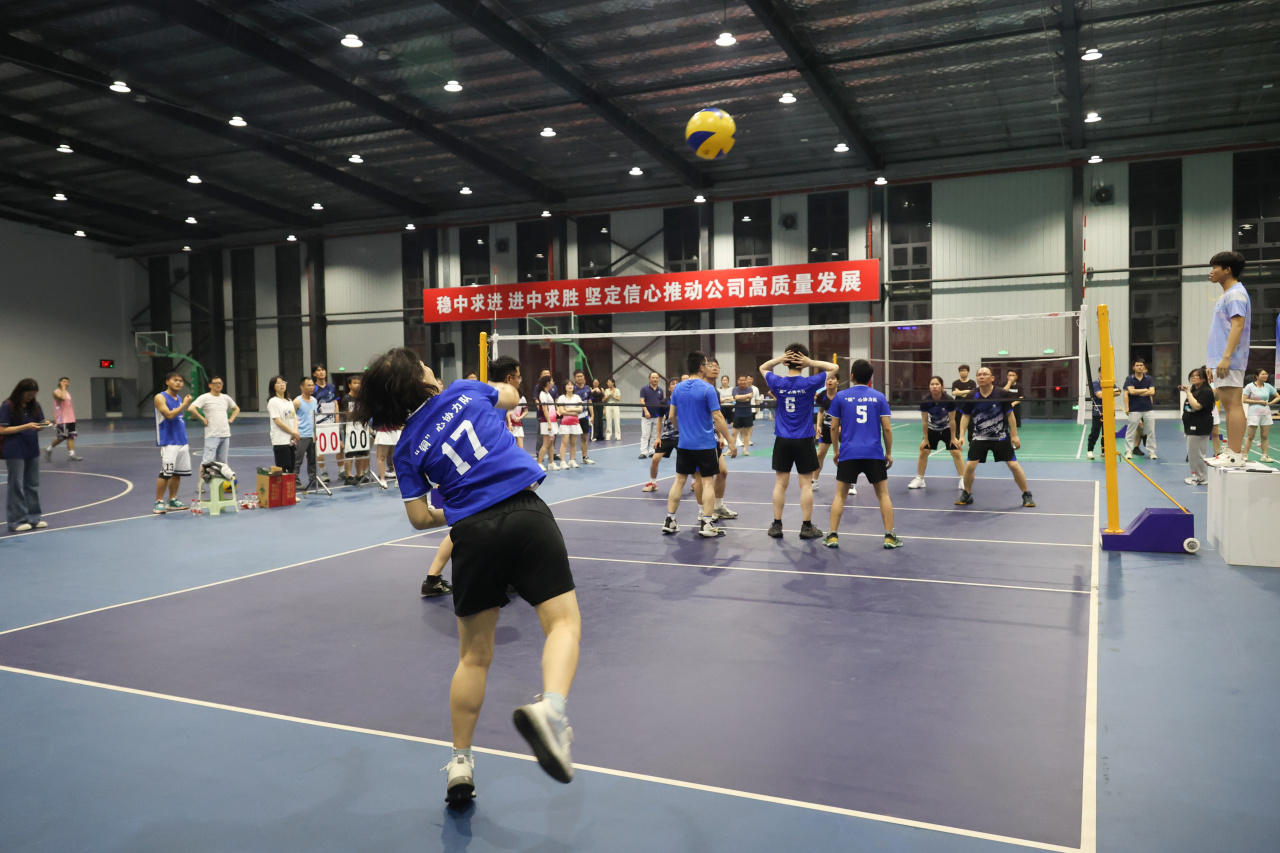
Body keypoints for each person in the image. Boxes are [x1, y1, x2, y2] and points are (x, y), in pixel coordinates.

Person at [357, 349, 579, 807]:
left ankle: (460, 762)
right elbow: (512, 395)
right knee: (562, 624)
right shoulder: (464, 390)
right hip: (526, 514)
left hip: (472, 535)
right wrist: (497, 390)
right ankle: (553, 709)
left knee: (473, 659)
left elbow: (419, 518)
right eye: (425, 366)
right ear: (420, 380)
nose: (432, 368)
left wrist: (464, 509)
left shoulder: (406, 448)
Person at [759, 344, 837, 539]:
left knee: (780, 483)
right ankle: (806, 527)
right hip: (804, 440)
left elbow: (763, 367)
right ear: (803, 362)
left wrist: (780, 359)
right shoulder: (810, 382)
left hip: (783, 440)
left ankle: (777, 525)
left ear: (787, 362)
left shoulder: (777, 382)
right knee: (806, 485)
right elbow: (834, 368)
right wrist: (811, 362)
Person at [824, 359, 901, 550]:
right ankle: (889, 537)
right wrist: (888, 453)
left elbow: (833, 427)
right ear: (870, 378)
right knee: (883, 495)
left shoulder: (841, 397)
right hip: (874, 453)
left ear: (851, 375)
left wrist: (836, 450)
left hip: (849, 453)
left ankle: (832, 536)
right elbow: (887, 428)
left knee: (840, 495)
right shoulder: (879, 397)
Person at [663, 351, 736, 538]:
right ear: (701, 367)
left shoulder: (677, 388)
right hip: (704, 445)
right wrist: (730, 441)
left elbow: (671, 416)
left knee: (679, 480)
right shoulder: (707, 389)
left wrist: (683, 430)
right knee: (707, 482)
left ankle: (670, 520)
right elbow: (718, 417)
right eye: (706, 364)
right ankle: (706, 524)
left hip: (684, 444)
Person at [955, 366, 1034, 507]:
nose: (981, 376)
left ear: (992, 378)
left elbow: (1010, 414)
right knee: (970, 466)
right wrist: (961, 435)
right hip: (979, 437)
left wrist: (1014, 435)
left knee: (1013, 465)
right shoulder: (972, 395)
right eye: (979, 374)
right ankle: (967, 493)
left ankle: (1026, 494)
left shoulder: (1001, 393)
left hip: (1000, 437)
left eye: (985, 374)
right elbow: (965, 416)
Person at [1206, 251, 1252, 468]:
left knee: (1233, 405)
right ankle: (1233, 452)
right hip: (1221, 359)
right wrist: (1211, 362)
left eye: (1215, 267)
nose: (1211, 272)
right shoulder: (1227, 295)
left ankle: (1235, 455)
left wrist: (1225, 358)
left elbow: (1238, 325)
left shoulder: (1235, 294)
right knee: (1228, 405)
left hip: (1230, 360)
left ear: (1227, 270)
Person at [690, 360, 740, 521]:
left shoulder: (714, 391)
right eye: (711, 366)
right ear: (702, 368)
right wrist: (730, 440)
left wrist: (720, 436)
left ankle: (718, 507)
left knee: (722, 472)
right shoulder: (697, 388)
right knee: (701, 476)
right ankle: (702, 511)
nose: (715, 368)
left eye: (717, 366)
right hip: (698, 440)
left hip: (712, 438)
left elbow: (715, 416)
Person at [2, 378, 49, 532]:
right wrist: (25, 426)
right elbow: (2, 429)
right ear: (21, 392)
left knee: (32, 484)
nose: (31, 397)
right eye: (29, 394)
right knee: (16, 484)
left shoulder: (35, 405)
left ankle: (34, 517)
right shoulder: (8, 405)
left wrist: (43, 425)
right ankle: (16, 520)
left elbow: (39, 423)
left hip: (32, 448)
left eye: (34, 394)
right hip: (14, 450)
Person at [909, 376, 965, 490]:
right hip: (932, 428)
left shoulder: (949, 400)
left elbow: (952, 420)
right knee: (924, 451)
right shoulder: (926, 400)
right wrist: (925, 439)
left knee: (956, 452)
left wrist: (953, 437)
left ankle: (963, 479)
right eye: (932, 384)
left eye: (937, 384)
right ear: (929, 387)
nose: (934, 386)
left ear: (942, 386)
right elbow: (925, 421)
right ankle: (920, 479)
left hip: (947, 428)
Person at [153, 371, 193, 514]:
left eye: (181, 381)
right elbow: (169, 415)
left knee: (177, 472)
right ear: (167, 382)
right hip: (168, 441)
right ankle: (159, 501)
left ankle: (173, 499)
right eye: (175, 380)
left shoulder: (178, 398)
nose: (179, 383)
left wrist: (182, 403)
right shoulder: (160, 397)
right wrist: (185, 405)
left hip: (181, 440)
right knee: (166, 472)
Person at [191, 375, 239, 467]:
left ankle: (220, 477)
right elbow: (191, 408)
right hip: (212, 434)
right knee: (208, 461)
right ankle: (203, 476)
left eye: (220, 383)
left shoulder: (226, 398)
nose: (218, 385)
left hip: (225, 433)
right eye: (216, 383)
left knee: (223, 462)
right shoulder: (205, 397)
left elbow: (236, 409)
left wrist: (231, 419)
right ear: (210, 385)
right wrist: (203, 419)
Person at [812, 373, 849, 494]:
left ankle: (851, 483)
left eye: (832, 379)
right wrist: (818, 425)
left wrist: (842, 426)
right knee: (819, 455)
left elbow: (847, 413)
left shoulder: (842, 395)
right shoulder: (822, 396)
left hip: (842, 430)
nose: (830, 381)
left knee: (845, 456)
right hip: (827, 429)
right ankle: (814, 481)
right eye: (828, 379)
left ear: (838, 382)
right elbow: (821, 411)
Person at [1179, 367, 1215, 485]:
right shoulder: (1195, 390)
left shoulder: (1206, 391)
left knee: (1197, 454)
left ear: (1203, 378)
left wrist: (1188, 393)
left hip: (1200, 426)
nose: (1193, 378)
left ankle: (1200, 477)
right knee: (1192, 453)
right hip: (1190, 425)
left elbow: (1197, 406)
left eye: (1196, 376)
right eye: (1192, 376)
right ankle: (1197, 476)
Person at [643, 378, 680, 491]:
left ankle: (694, 482)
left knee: (689, 460)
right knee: (655, 459)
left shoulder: (686, 400)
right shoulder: (664, 402)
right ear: (669, 388)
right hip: (667, 436)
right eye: (672, 384)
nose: (675, 385)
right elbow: (659, 420)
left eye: (677, 384)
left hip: (682, 436)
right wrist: (658, 437)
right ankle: (653, 483)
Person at [1122, 359, 1157, 460]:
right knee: (1131, 431)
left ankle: (1151, 451)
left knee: (1151, 431)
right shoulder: (1129, 379)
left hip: (1148, 409)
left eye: (1141, 365)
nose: (1139, 367)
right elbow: (1130, 392)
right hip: (1134, 409)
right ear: (1133, 367)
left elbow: (1152, 392)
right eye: (1137, 365)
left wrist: (1137, 391)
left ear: (1144, 367)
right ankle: (1128, 451)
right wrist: (1145, 390)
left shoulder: (1149, 379)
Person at [1241, 369, 1278, 462]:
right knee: (1250, 436)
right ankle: (1245, 455)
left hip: (1266, 413)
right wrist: (1258, 401)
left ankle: (1264, 456)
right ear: (1257, 376)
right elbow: (1244, 400)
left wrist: (1270, 403)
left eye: (1266, 374)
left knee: (1264, 436)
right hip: (1254, 414)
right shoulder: (1249, 386)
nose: (1265, 376)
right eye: (1263, 374)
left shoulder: (1268, 386)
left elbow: (1278, 396)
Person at [267, 374, 300, 474]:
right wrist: (293, 432)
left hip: (290, 441)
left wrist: (295, 432)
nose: (282, 385)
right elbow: (278, 421)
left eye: (283, 382)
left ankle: (291, 485)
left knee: (291, 468)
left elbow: (294, 417)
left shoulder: (289, 401)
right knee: (283, 470)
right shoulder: (273, 402)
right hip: (280, 440)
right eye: (278, 383)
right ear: (273, 386)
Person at [340, 375, 370, 485]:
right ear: (349, 385)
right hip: (349, 428)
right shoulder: (346, 399)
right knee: (349, 453)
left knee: (360, 453)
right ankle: (348, 476)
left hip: (361, 428)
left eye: (359, 383)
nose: (358, 385)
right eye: (355, 383)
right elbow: (346, 415)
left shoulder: (363, 398)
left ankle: (359, 474)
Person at [44, 377, 83, 462]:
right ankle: (49, 448)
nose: (67, 383)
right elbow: (62, 398)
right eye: (64, 381)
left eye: (68, 382)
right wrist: (63, 387)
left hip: (70, 419)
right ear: (60, 382)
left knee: (71, 436)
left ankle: (71, 454)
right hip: (62, 419)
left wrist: (73, 417)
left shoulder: (67, 393)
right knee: (62, 437)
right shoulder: (56, 392)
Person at [312, 364, 339, 484]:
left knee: (341, 447)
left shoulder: (332, 387)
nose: (321, 372)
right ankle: (323, 472)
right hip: (319, 423)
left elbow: (336, 404)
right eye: (318, 370)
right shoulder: (313, 388)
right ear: (314, 374)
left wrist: (337, 421)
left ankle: (341, 471)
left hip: (332, 422)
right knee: (320, 449)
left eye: (323, 370)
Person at [294, 377, 321, 493]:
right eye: (308, 385)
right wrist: (294, 433)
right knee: (297, 460)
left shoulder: (314, 400)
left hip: (313, 435)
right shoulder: (297, 401)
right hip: (301, 435)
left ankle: (313, 479)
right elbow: (291, 418)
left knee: (313, 460)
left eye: (312, 385)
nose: (311, 387)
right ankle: (294, 480)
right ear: (302, 387)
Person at [556, 381, 588, 468]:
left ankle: (572, 460)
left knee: (573, 443)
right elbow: (562, 411)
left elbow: (580, 409)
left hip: (575, 423)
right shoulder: (561, 398)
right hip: (565, 423)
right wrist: (574, 411)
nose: (570, 386)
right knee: (564, 442)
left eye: (571, 385)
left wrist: (568, 409)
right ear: (565, 387)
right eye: (568, 385)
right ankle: (563, 462)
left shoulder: (577, 397)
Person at [536, 375, 559, 470]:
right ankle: (539, 463)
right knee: (546, 443)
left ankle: (551, 463)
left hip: (552, 421)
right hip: (546, 422)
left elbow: (551, 408)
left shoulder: (548, 393)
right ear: (548, 383)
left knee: (551, 443)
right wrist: (549, 422)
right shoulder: (542, 394)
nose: (553, 383)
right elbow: (545, 409)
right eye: (552, 381)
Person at [639, 372, 664, 458]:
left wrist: (662, 414)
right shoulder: (644, 389)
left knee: (654, 435)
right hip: (647, 417)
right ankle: (643, 452)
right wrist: (646, 411)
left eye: (656, 378)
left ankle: (652, 451)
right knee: (645, 435)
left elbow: (662, 403)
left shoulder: (661, 390)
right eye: (653, 378)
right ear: (649, 379)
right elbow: (642, 401)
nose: (655, 379)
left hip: (657, 416)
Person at [731, 375, 755, 453]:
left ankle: (745, 450)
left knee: (746, 434)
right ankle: (731, 449)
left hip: (747, 414)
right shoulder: (735, 389)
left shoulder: (750, 389)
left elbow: (747, 399)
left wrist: (739, 398)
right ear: (738, 381)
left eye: (744, 380)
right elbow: (736, 398)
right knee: (734, 433)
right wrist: (746, 396)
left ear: (746, 381)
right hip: (737, 414)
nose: (742, 382)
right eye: (740, 380)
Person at [572, 371, 593, 453]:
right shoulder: (572, 389)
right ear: (574, 378)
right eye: (578, 376)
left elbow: (589, 402)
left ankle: (585, 457)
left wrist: (592, 415)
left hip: (584, 416)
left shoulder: (587, 388)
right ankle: (572, 458)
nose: (580, 378)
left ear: (584, 377)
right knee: (573, 439)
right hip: (574, 416)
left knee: (584, 437)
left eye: (581, 376)